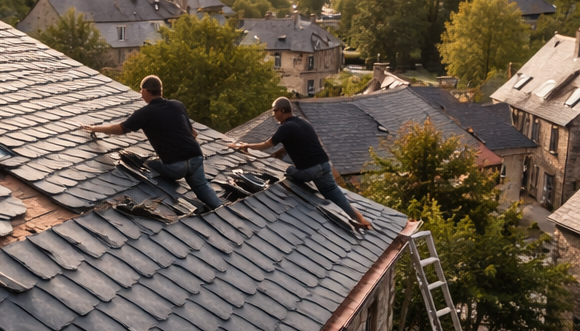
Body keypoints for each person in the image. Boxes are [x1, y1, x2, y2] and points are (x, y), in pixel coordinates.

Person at [79, 76, 225, 211]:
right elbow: (194, 133)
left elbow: (121, 129)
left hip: (175, 166)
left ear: (146, 90)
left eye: (141, 90)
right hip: (196, 158)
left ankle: (161, 195)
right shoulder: (177, 105)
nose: (140, 93)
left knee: (147, 163)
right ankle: (222, 210)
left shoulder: (146, 112)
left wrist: (95, 128)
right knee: (201, 185)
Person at [228, 97, 372, 229]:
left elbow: (268, 144)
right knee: (334, 193)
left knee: (288, 171)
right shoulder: (303, 122)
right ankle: (360, 219)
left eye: (274, 111)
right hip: (324, 166)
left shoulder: (285, 127)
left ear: (282, 110)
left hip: (309, 171)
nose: (273, 114)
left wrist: (246, 145)